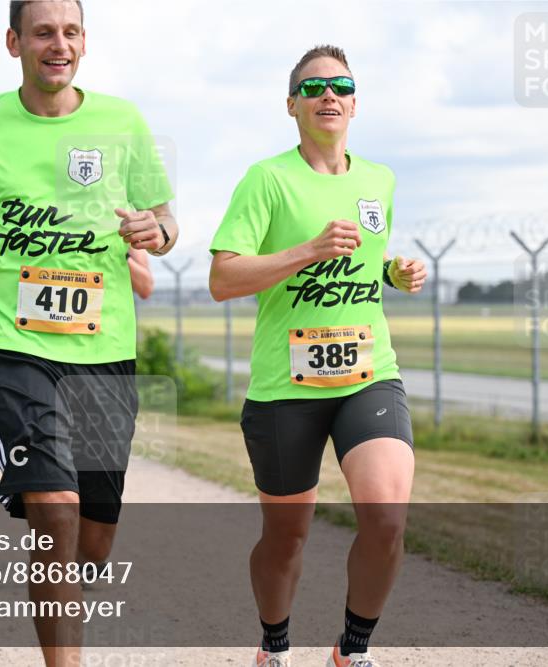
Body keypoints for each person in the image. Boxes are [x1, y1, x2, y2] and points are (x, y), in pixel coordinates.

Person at [0, 2, 178, 663]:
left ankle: (60, 593)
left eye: (71, 31)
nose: (60, 44)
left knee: (93, 540)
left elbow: (166, 221)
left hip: (104, 352)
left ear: (85, 42)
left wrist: (156, 232)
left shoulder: (123, 121)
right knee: (54, 510)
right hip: (13, 345)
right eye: (44, 32)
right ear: (13, 41)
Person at [208, 45, 427, 667]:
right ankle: (274, 644)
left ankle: (351, 650)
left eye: (341, 85)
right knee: (287, 536)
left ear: (355, 102)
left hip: (368, 374)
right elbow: (224, 278)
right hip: (286, 387)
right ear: (291, 105)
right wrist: (306, 249)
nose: (328, 94)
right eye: (313, 87)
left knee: (386, 519)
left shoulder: (378, 179)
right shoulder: (266, 179)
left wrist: (394, 270)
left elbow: (363, 257)